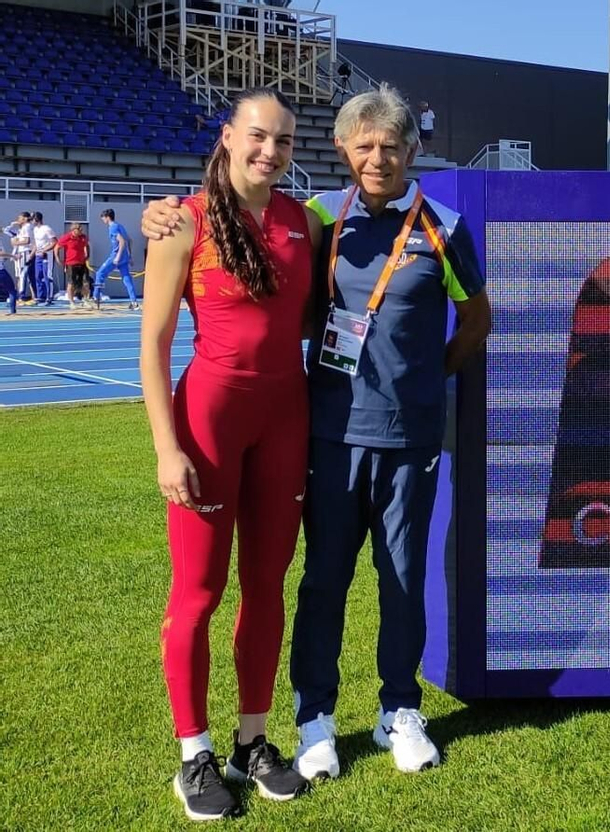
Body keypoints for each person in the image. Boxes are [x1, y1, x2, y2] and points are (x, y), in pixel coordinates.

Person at [142, 83, 491, 780]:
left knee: (352, 582)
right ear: (341, 150)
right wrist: (162, 212)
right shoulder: (277, 219)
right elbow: (175, 332)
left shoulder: (387, 223)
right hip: (285, 430)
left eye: (392, 146)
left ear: (411, 151)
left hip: (358, 434)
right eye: (364, 146)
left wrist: (429, 383)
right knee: (266, 586)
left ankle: (344, 721)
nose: (378, 158)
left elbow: (470, 319)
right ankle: (260, 735)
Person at [139, 88, 319, 821]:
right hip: (209, 420)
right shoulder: (180, 221)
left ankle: (252, 740)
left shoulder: (305, 222)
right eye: (257, 136)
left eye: (282, 142)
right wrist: (166, 447)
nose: (269, 151)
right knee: (200, 592)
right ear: (226, 136)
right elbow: (151, 347)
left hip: (287, 419)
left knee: (268, 585)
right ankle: (194, 755)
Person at [95, 209, 140, 310]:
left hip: (116, 256)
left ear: (107, 217)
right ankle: (134, 302)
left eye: (103, 218)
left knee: (100, 273)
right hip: (124, 257)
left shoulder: (113, 227)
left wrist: (118, 257)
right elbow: (130, 240)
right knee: (127, 279)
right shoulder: (120, 226)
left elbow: (122, 241)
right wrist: (129, 256)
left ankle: (96, 297)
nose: (102, 220)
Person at [55, 222, 91, 309]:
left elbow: (87, 245)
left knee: (85, 282)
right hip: (71, 263)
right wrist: (58, 259)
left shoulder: (83, 237)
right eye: (79, 229)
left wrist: (87, 255)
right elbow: (57, 247)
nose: (81, 231)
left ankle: (85, 300)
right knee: (71, 283)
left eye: (81, 229)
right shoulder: (67, 237)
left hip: (82, 263)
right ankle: (71, 302)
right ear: (74, 230)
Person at [30, 212, 58, 306]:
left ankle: (49, 297)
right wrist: (32, 254)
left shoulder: (46, 229)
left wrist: (45, 250)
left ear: (36, 219)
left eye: (32, 219)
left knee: (47, 276)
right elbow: (36, 243)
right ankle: (40, 296)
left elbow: (54, 242)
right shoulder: (35, 230)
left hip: (47, 255)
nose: (31, 221)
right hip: (38, 255)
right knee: (38, 276)